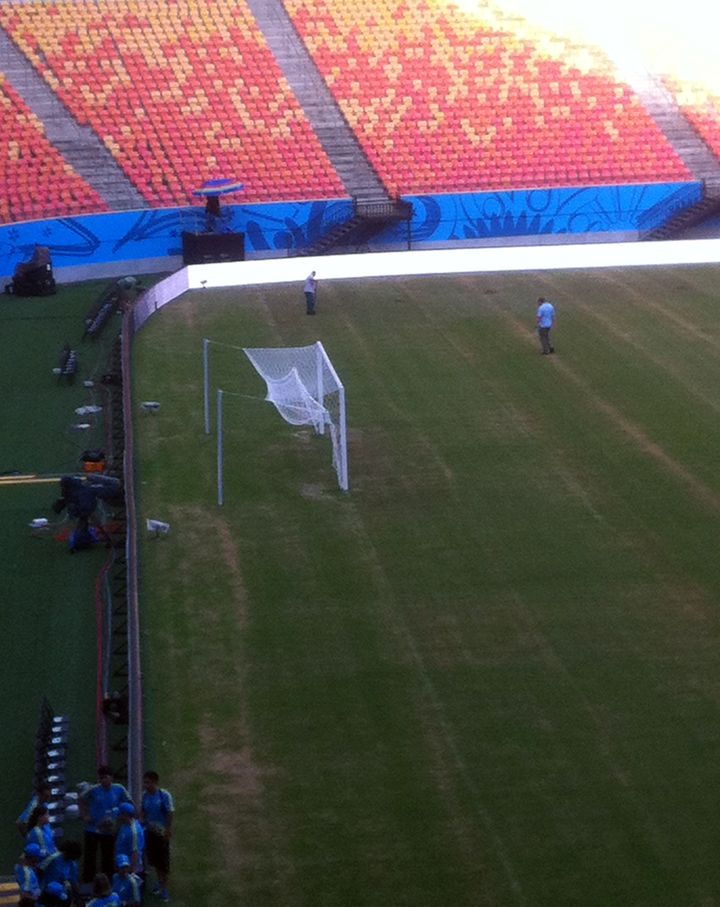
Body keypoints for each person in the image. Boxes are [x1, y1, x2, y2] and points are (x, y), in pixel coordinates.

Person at [80, 766, 132, 883]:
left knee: (107, 856)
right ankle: (88, 880)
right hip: (92, 828)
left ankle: (107, 880)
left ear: (111, 778)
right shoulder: (94, 790)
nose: (103, 780)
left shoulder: (119, 789)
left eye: (105, 777)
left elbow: (129, 802)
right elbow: (81, 799)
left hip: (109, 829)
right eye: (101, 778)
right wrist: (84, 815)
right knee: (90, 856)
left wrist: (121, 816)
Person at [140, 771, 174, 902]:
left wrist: (167, 830)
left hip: (161, 834)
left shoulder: (164, 795)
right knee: (154, 861)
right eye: (145, 782)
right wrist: (143, 819)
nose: (145, 784)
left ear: (154, 782)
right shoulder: (145, 796)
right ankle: (159, 882)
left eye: (147, 782)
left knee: (163, 862)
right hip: (150, 833)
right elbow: (143, 810)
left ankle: (164, 888)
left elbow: (170, 813)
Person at [114, 803, 144, 876]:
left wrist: (131, 872)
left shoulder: (134, 832)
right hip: (121, 865)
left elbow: (135, 853)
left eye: (120, 814)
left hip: (128, 869)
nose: (118, 816)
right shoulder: (124, 825)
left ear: (125, 815)